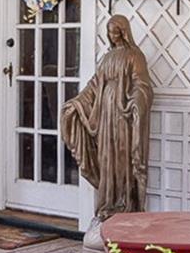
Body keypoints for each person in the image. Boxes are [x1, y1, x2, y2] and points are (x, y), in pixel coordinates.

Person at [60, 14, 153, 219]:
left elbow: (142, 84)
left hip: (122, 113)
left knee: (121, 157)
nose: (112, 35)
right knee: (106, 156)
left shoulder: (134, 56)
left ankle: (125, 203)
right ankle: (107, 203)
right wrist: (77, 102)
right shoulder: (107, 57)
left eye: (115, 31)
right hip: (105, 112)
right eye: (109, 31)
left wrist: (137, 101)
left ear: (123, 32)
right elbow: (95, 84)